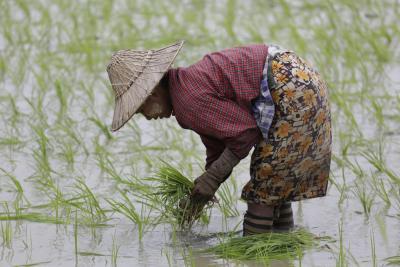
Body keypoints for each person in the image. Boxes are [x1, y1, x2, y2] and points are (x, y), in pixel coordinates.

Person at [106, 40, 332, 236]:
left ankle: (254, 255)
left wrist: (212, 179)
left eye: (140, 110)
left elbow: (244, 133)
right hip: (299, 76)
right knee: (275, 182)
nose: (146, 117)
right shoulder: (187, 86)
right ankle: (281, 251)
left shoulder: (188, 101)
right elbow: (219, 144)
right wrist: (204, 190)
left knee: (264, 186)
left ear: (152, 93)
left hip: (288, 88)